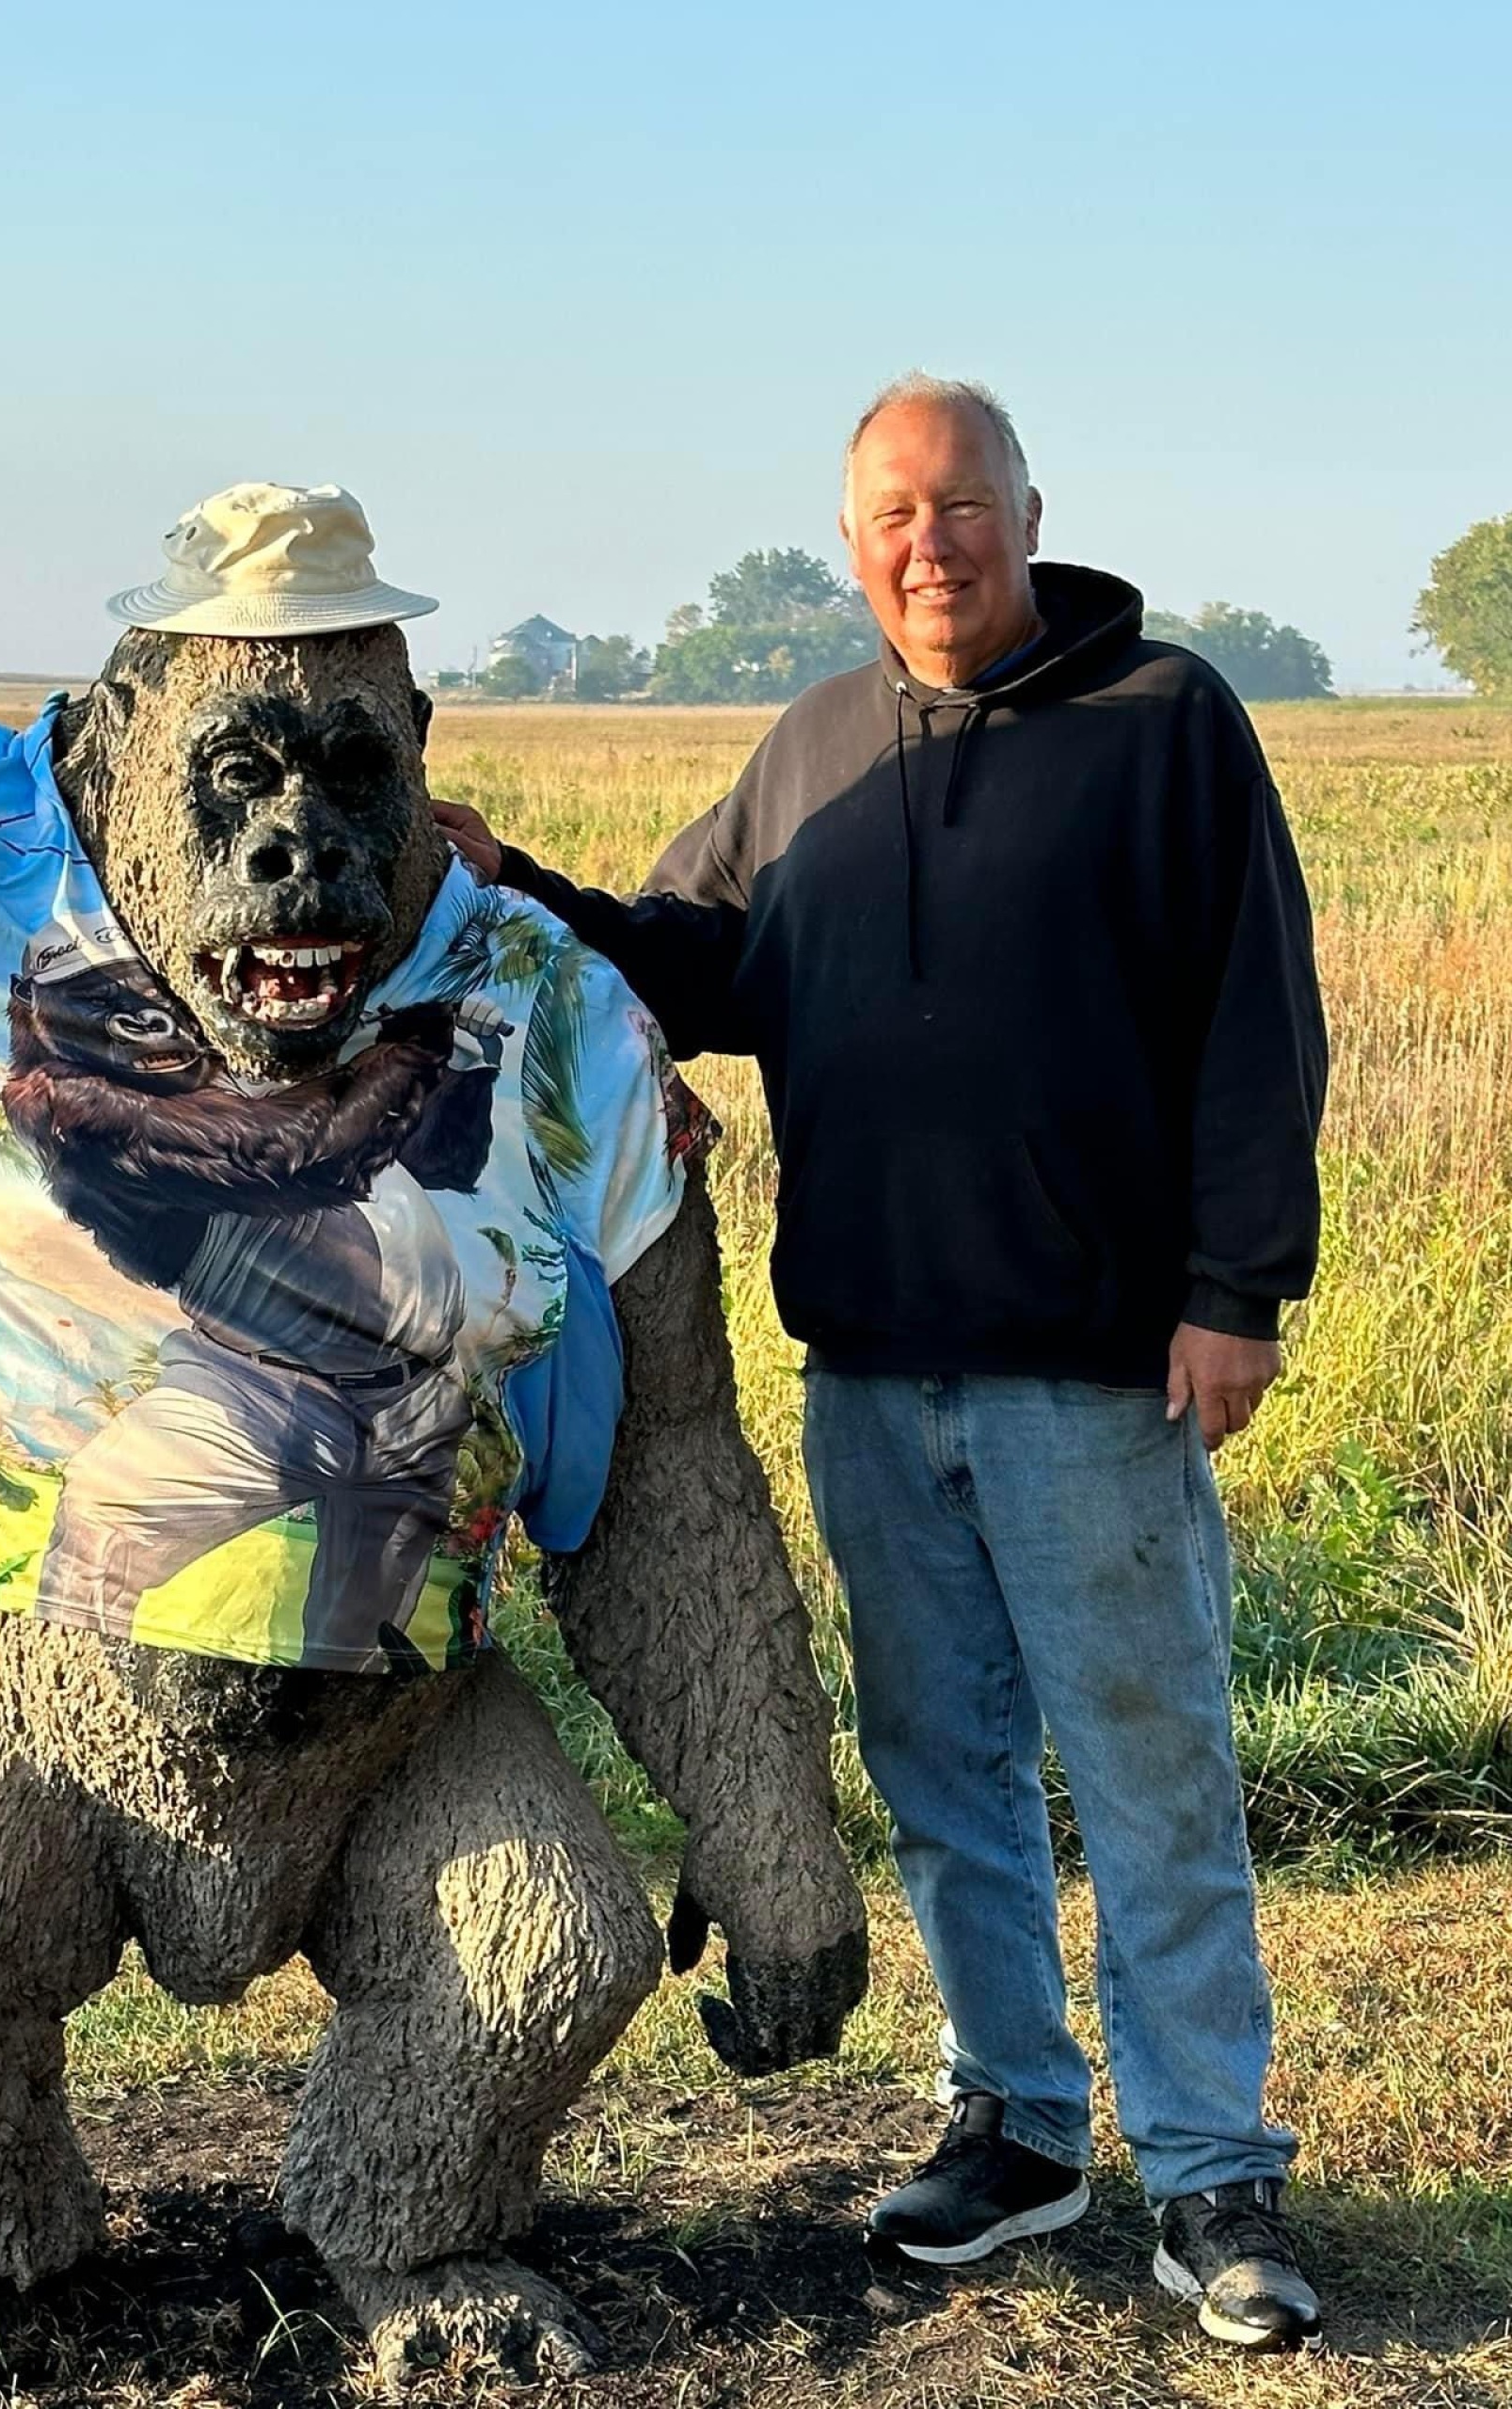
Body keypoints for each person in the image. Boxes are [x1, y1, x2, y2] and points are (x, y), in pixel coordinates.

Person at [435, 375, 1329, 2353]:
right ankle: (1016, 2121)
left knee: (1152, 1772)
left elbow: (1260, 1014)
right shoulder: (818, 745)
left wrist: (1238, 1287)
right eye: (891, 516)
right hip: (871, 1378)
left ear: (1029, 507)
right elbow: (687, 953)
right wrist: (505, 892)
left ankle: (1214, 2171)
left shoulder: (1165, 719)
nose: (929, 540)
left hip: (1092, 1379)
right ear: (851, 548)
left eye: (961, 501)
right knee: (944, 1772)